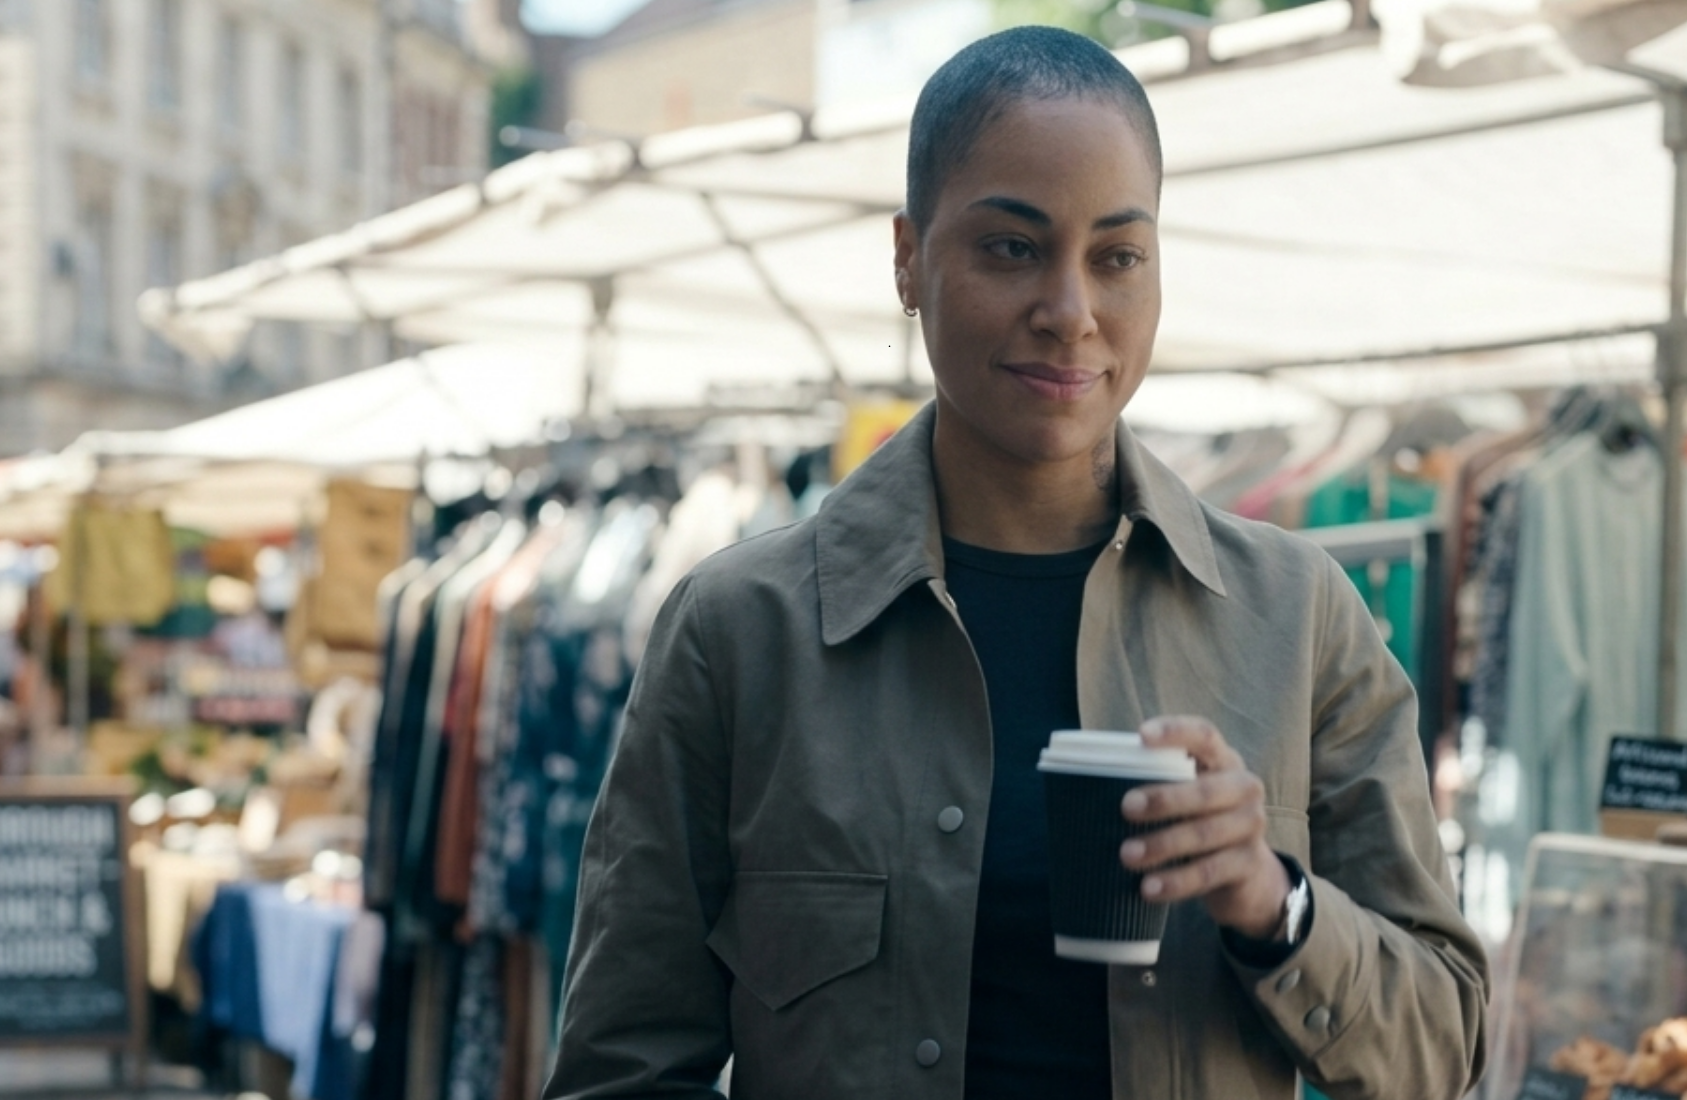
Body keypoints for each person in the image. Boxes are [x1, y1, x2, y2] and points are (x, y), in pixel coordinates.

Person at [546, 26, 1486, 1100]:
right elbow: (618, 1069)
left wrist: (1272, 899)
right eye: (1009, 247)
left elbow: (1441, 1047)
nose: (1070, 311)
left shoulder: (1298, 616)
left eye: (1116, 256)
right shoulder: (740, 632)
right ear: (908, 258)